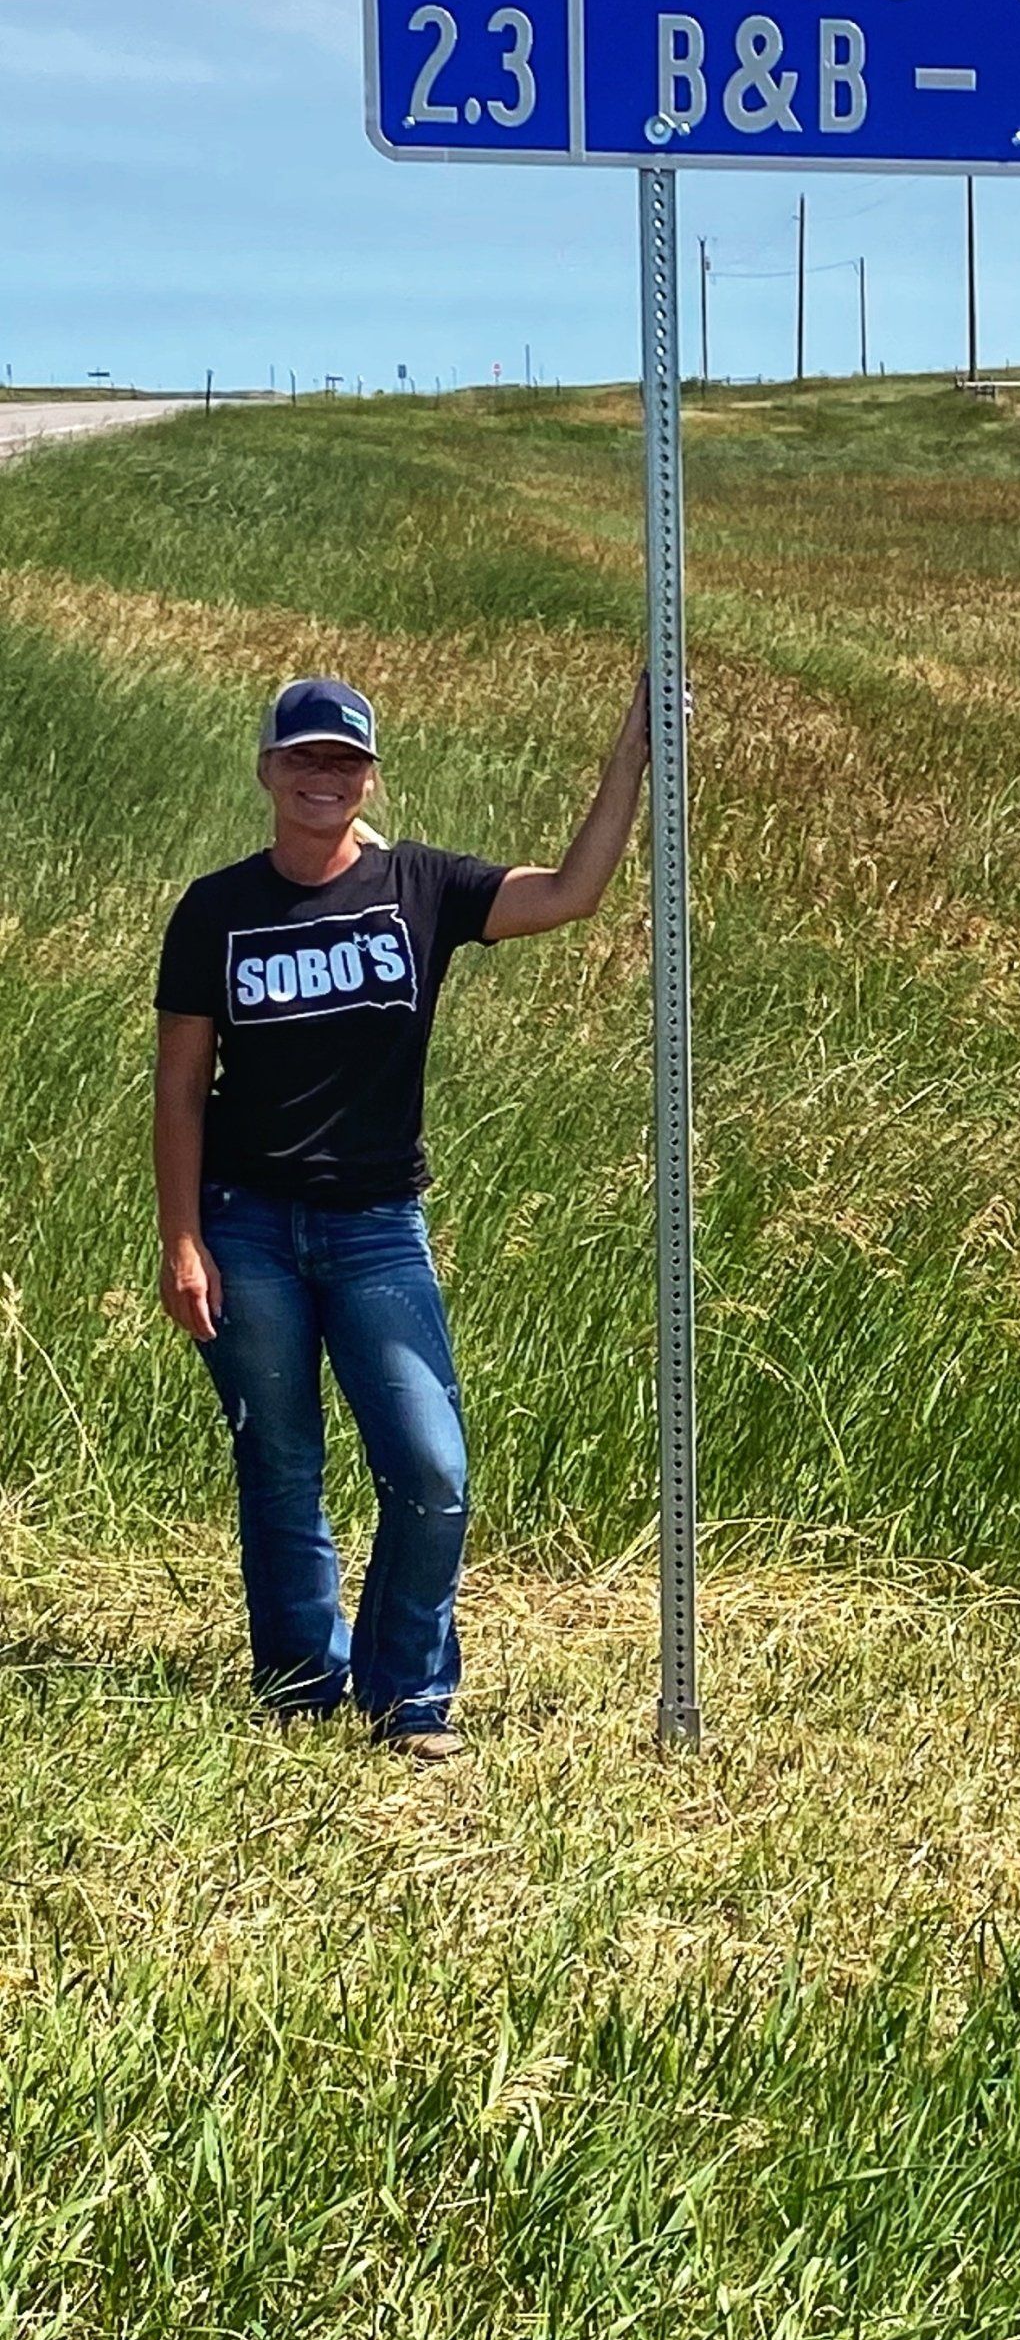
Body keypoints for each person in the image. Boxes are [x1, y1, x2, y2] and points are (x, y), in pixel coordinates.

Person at [152, 672, 655, 1762]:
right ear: (268, 772)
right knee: (280, 1462)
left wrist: (635, 751)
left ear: (371, 774)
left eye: (345, 761)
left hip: (378, 1226)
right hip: (246, 1222)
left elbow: (572, 891)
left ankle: (406, 1696)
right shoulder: (215, 909)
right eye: (304, 758)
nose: (324, 777)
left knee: (429, 1467)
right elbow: (182, 1085)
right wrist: (181, 1237)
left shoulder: (418, 885)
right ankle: (298, 1683)